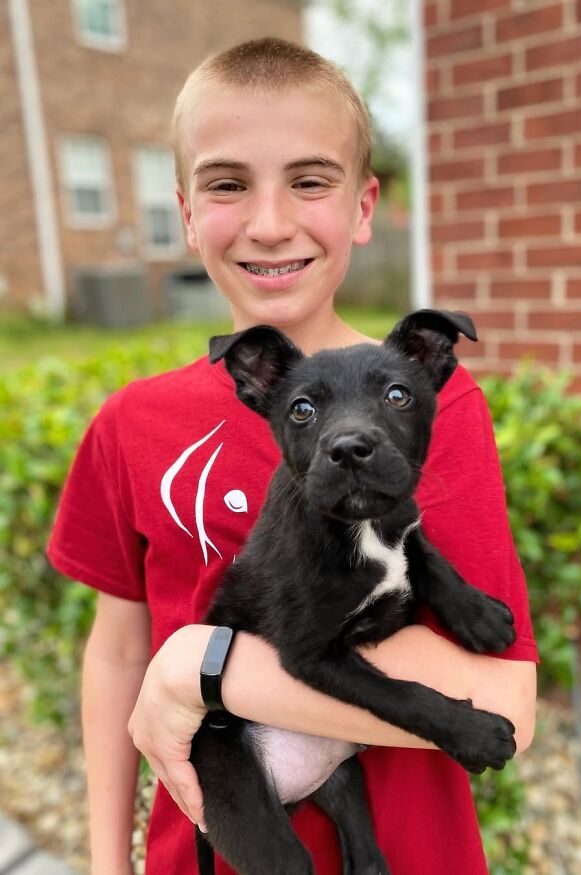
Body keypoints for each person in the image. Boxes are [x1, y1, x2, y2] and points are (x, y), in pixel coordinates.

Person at [47, 37, 538, 875]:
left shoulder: (439, 407)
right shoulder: (132, 423)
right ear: (186, 212)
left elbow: (503, 704)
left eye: (310, 181)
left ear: (363, 206)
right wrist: (106, 860)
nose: (270, 223)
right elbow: (119, 650)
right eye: (227, 184)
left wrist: (200, 668)